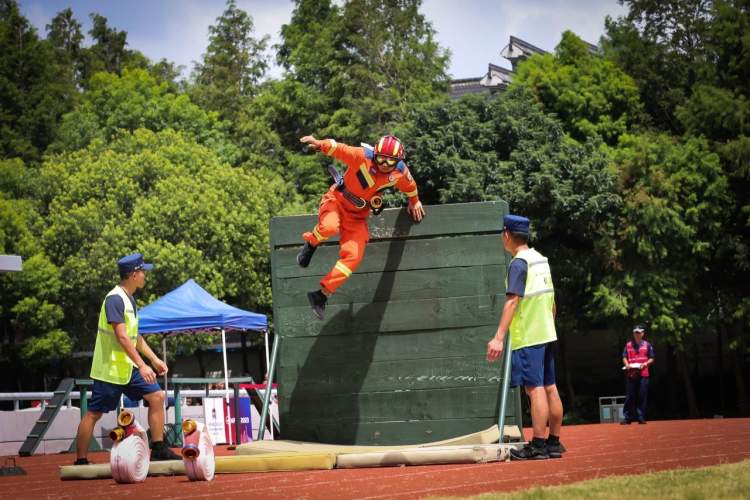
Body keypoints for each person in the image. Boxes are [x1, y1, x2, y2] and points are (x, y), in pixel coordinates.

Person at [297, 134, 426, 319]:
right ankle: (311, 243)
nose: (384, 164)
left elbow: (410, 186)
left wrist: (414, 201)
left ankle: (321, 295)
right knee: (329, 227)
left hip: (357, 216)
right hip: (337, 200)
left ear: (398, 161)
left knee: (354, 257)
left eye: (390, 161)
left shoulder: (399, 171)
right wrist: (319, 144)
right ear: (375, 153)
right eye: (381, 158)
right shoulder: (362, 156)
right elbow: (338, 148)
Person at [73, 253, 180, 465]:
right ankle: (81, 461)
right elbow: (121, 336)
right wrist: (142, 365)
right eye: (142, 272)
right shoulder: (114, 299)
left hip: (128, 368)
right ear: (133, 275)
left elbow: (135, 336)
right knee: (94, 414)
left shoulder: (129, 299)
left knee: (157, 396)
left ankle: (158, 448)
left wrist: (154, 359)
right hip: (110, 370)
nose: (145, 276)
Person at [486, 215, 564, 460]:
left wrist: (498, 337)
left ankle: (538, 444)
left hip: (530, 336)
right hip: (547, 332)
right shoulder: (541, 260)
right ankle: (553, 442)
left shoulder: (519, 263)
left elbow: (512, 301)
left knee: (535, 389)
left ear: (507, 235)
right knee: (550, 387)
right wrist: (550, 326)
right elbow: (552, 301)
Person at [621, 324, 654, 424]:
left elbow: (652, 358)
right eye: (635, 332)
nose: (637, 334)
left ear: (643, 333)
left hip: (643, 374)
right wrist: (627, 365)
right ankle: (627, 418)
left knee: (642, 396)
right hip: (631, 374)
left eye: (639, 332)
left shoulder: (647, 345)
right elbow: (624, 357)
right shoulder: (628, 345)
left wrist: (645, 364)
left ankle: (641, 417)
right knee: (630, 396)